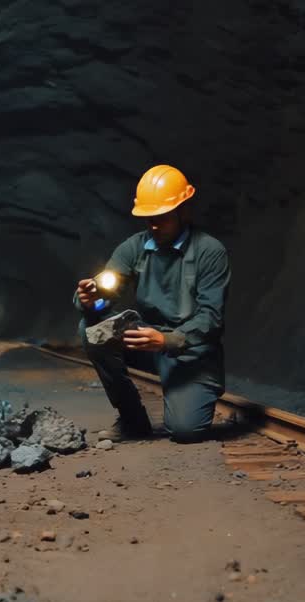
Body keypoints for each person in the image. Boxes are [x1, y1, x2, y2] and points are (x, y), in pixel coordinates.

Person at [74, 164, 230, 443]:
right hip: (145, 341)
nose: (154, 225)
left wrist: (167, 340)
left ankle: (192, 393)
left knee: (185, 431)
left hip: (190, 352)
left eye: (162, 217)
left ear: (184, 211)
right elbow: (105, 292)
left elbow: (211, 318)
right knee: (91, 327)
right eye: (149, 219)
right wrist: (90, 299)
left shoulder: (209, 251)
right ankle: (132, 420)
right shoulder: (135, 247)